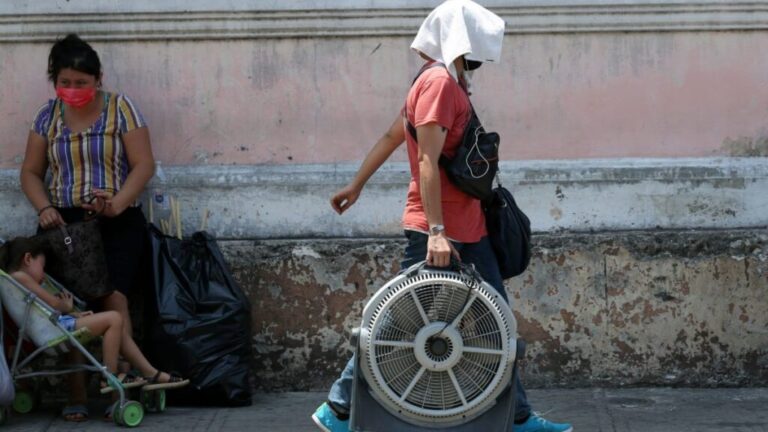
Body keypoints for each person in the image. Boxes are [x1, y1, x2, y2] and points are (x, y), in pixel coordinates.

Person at [312, 1, 573, 431]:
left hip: (468, 228)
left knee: (496, 325)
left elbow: (391, 136)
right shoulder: (436, 84)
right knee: (398, 323)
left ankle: (520, 418)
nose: (481, 60)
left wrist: (355, 185)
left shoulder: (445, 82)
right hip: (439, 230)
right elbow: (428, 161)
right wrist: (435, 232)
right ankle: (337, 408)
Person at [18, 34, 183, 422]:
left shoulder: (121, 109)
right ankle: (78, 390)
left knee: (114, 298)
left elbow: (143, 164)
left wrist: (115, 203)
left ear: (98, 79)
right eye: (65, 82)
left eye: (81, 82)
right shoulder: (47, 116)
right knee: (74, 306)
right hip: (65, 226)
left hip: (117, 221)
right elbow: (29, 172)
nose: (73, 90)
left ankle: (118, 384)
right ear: (55, 81)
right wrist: (44, 208)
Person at [0, 237, 189, 420]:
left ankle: (150, 372)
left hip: (57, 326)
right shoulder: (20, 277)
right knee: (114, 318)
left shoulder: (15, 279)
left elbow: (44, 309)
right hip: (56, 331)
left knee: (115, 324)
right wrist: (66, 306)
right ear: (27, 259)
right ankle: (111, 376)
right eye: (42, 266)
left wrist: (73, 314)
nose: (43, 274)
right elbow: (56, 305)